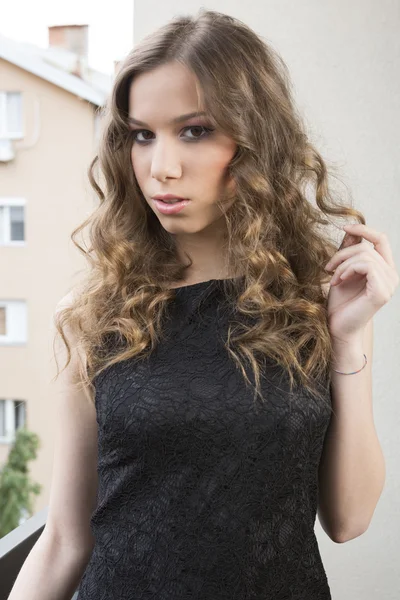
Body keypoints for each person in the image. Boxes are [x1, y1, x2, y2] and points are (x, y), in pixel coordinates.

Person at [8, 8, 398, 600]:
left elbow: (349, 520)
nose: (161, 167)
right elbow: (65, 538)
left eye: (194, 131)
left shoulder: (321, 299)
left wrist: (347, 339)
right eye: (143, 134)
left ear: (253, 139)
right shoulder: (95, 314)